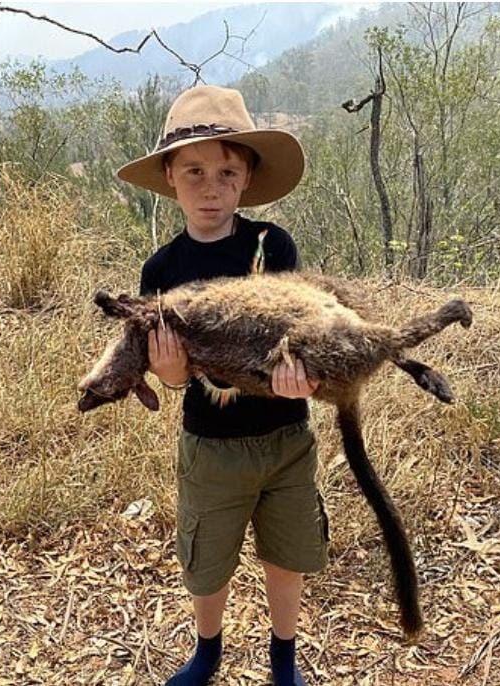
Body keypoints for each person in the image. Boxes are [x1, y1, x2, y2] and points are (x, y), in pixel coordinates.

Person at [115, 85, 327, 686]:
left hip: (286, 439)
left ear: (247, 177)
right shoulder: (160, 271)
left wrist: (299, 382)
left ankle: (282, 659)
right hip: (209, 447)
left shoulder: (271, 246)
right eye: (195, 171)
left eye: (227, 171)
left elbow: (299, 330)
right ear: (170, 177)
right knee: (207, 562)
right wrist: (172, 374)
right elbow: (169, 368)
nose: (211, 186)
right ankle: (208, 651)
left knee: (286, 556)